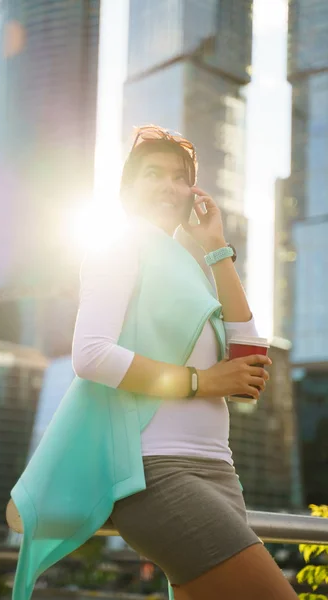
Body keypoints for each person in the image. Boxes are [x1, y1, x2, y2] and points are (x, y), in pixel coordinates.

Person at [71, 125, 298, 600]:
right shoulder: (120, 245)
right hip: (156, 472)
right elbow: (90, 355)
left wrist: (215, 247)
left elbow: (251, 359)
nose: (170, 187)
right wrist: (203, 380)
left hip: (217, 472)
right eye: (153, 173)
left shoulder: (187, 268)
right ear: (126, 189)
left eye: (180, 177)